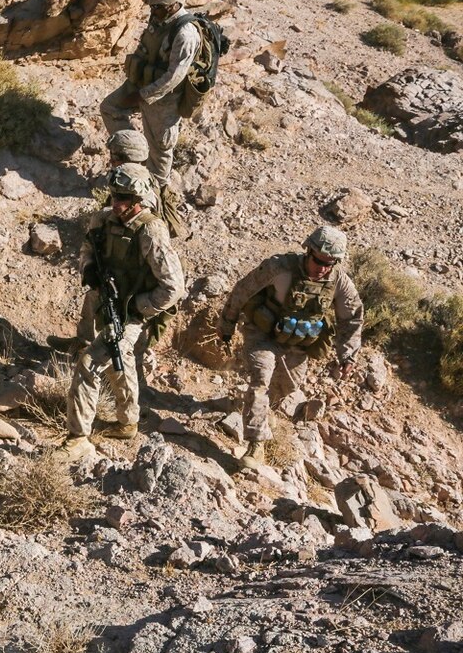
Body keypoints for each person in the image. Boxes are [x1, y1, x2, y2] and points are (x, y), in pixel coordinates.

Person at [56, 163, 185, 460]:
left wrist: (137, 308)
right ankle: (128, 423)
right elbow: (87, 250)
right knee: (119, 359)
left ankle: (78, 438)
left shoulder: (151, 230)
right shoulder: (102, 220)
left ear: (138, 198)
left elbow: (173, 287)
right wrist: (89, 269)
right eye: (114, 195)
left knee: (89, 362)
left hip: (132, 313)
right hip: (106, 302)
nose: (116, 203)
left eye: (124, 198)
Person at [217, 226, 364, 469]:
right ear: (308, 251)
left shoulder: (338, 281)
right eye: (319, 261)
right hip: (262, 333)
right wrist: (227, 323)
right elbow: (243, 290)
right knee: (260, 379)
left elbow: (352, 319)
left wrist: (348, 355)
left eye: (330, 263)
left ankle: (259, 411)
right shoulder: (278, 267)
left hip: (298, 343)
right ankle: (256, 444)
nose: (323, 268)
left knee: (287, 387)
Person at [49, 130, 159, 355]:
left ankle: (125, 360)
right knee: (95, 297)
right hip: (119, 260)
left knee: (124, 324)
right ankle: (83, 343)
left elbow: (139, 232)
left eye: (114, 156)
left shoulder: (140, 192)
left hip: (135, 271)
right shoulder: (129, 181)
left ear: (125, 157)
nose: (111, 160)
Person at [99, 0, 200, 190]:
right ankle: (135, 156)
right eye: (151, 6)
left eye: (156, 7)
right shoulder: (159, 16)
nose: (152, 11)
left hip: (164, 98)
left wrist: (143, 95)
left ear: (171, 5)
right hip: (141, 82)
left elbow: (174, 77)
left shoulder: (185, 34)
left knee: (160, 148)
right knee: (110, 108)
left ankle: (156, 191)